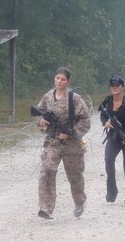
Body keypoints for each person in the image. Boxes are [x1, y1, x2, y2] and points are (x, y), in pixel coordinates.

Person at [36, 66, 91, 219]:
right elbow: (38, 114)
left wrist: (72, 133)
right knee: (46, 171)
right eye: (57, 78)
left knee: (75, 177)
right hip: (52, 142)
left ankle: (79, 202)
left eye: (63, 79)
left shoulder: (74, 99)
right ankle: (46, 208)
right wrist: (40, 121)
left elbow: (86, 120)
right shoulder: (47, 97)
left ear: (68, 81)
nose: (59, 81)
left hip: (72, 144)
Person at [98, 74, 125, 204]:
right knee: (108, 160)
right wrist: (105, 123)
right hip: (113, 137)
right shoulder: (107, 100)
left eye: (117, 85)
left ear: (122, 87)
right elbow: (102, 115)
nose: (115, 88)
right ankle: (111, 192)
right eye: (113, 85)